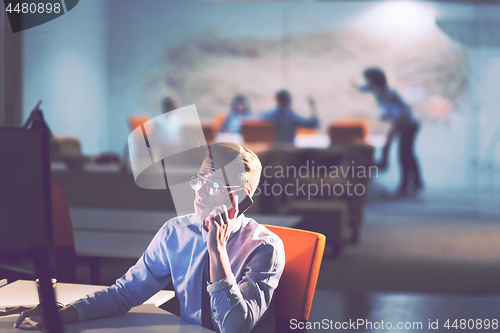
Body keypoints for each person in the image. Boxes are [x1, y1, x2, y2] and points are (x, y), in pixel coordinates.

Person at [2, 142, 285, 333]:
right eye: (199, 180)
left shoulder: (265, 247)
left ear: (239, 198)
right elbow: (125, 293)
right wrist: (64, 313)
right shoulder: (176, 233)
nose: (198, 192)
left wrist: (218, 253)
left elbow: (234, 326)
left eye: (212, 186)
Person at [355, 67, 423, 196]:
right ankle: (414, 183)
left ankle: (408, 185)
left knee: (405, 155)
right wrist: (355, 85)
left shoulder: (387, 93)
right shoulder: (378, 91)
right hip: (401, 125)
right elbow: (364, 88)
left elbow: (399, 113)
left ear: (374, 80)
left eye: (368, 79)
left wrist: (386, 116)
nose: (367, 82)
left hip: (408, 125)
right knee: (407, 154)